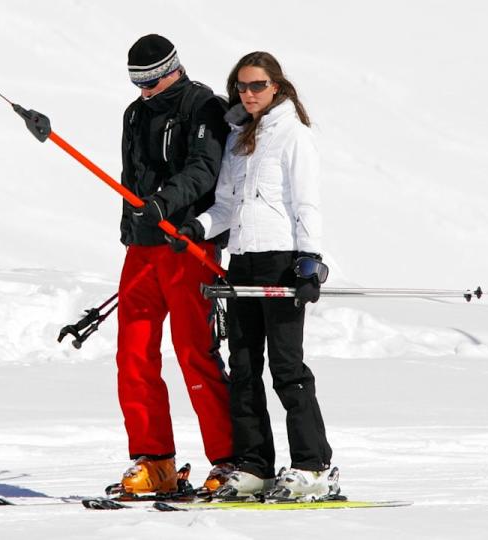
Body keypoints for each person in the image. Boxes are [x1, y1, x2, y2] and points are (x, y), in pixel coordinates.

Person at [175, 51, 338, 501]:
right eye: (241, 88)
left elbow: (307, 203)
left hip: (280, 261)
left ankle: (313, 465)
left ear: (277, 87)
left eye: (257, 86)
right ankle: (255, 467)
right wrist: (196, 229)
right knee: (244, 369)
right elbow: (226, 206)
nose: (248, 95)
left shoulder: (293, 136)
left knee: (286, 368)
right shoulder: (237, 137)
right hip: (242, 263)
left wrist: (310, 260)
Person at [113, 34, 235, 496]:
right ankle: (155, 461)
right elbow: (133, 174)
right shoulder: (134, 112)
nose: (143, 90)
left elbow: (205, 169)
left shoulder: (204, 107)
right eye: (135, 82)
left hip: (187, 246)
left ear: (173, 69)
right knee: (133, 355)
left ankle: (228, 461)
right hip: (142, 248)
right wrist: (134, 226)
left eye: (150, 80)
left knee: (193, 351)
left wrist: (165, 205)